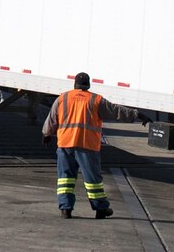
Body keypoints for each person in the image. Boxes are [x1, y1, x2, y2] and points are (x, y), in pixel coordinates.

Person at [42, 71, 140, 218]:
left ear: (75, 84)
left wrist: (46, 134)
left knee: (65, 179)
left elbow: (52, 118)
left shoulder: (63, 98)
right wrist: (136, 115)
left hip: (65, 144)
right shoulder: (95, 100)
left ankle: (65, 209)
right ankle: (100, 209)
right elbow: (116, 111)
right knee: (93, 180)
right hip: (86, 145)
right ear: (88, 85)